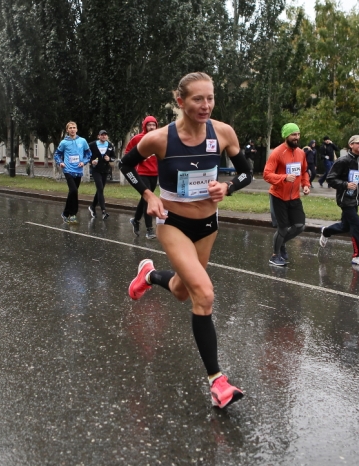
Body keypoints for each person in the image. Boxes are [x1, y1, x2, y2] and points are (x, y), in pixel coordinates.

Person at [119, 72, 252, 408]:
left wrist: (228, 187)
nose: (205, 105)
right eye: (197, 99)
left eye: (210, 98)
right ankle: (217, 382)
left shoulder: (222, 133)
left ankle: (148, 275)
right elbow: (126, 164)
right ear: (180, 101)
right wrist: (149, 195)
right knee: (204, 295)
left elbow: (248, 171)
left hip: (208, 225)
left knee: (181, 290)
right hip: (172, 223)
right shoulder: (159, 139)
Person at [319, 135, 359, 266]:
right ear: (351, 145)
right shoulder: (342, 161)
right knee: (356, 225)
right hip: (345, 199)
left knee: (346, 226)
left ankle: (326, 231)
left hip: (356, 198)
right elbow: (331, 179)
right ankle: (358, 256)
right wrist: (345, 184)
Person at [263, 123, 311, 266]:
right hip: (278, 196)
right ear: (286, 136)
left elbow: (304, 172)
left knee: (300, 225)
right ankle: (275, 256)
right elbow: (267, 175)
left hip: (294, 197)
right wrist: (283, 177)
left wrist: (306, 185)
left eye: (298, 134)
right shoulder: (277, 153)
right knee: (283, 228)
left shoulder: (301, 153)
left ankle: (281, 242)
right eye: (293, 135)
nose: (297, 137)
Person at [126, 116, 159, 239]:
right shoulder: (137, 139)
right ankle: (150, 229)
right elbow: (127, 154)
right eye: (149, 125)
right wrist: (134, 165)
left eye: (153, 125)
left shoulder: (159, 138)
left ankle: (135, 220)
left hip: (154, 174)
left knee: (144, 198)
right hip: (142, 173)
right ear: (144, 126)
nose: (151, 127)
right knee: (148, 200)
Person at [53, 121, 92, 223]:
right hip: (68, 169)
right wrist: (60, 162)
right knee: (74, 191)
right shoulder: (64, 142)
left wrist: (83, 162)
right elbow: (57, 154)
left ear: (77, 129)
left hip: (78, 170)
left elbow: (88, 154)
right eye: (70, 128)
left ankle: (65, 213)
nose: (72, 129)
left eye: (74, 127)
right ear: (67, 130)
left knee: (72, 193)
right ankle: (73, 214)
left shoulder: (82, 141)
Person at [88, 130, 115, 220]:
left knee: (100, 190)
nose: (104, 136)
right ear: (98, 136)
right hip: (96, 170)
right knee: (100, 188)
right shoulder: (92, 145)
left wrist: (109, 159)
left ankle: (92, 207)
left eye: (105, 135)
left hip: (105, 170)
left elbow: (113, 157)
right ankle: (103, 211)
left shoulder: (110, 145)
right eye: (102, 135)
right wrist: (91, 161)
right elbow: (86, 155)